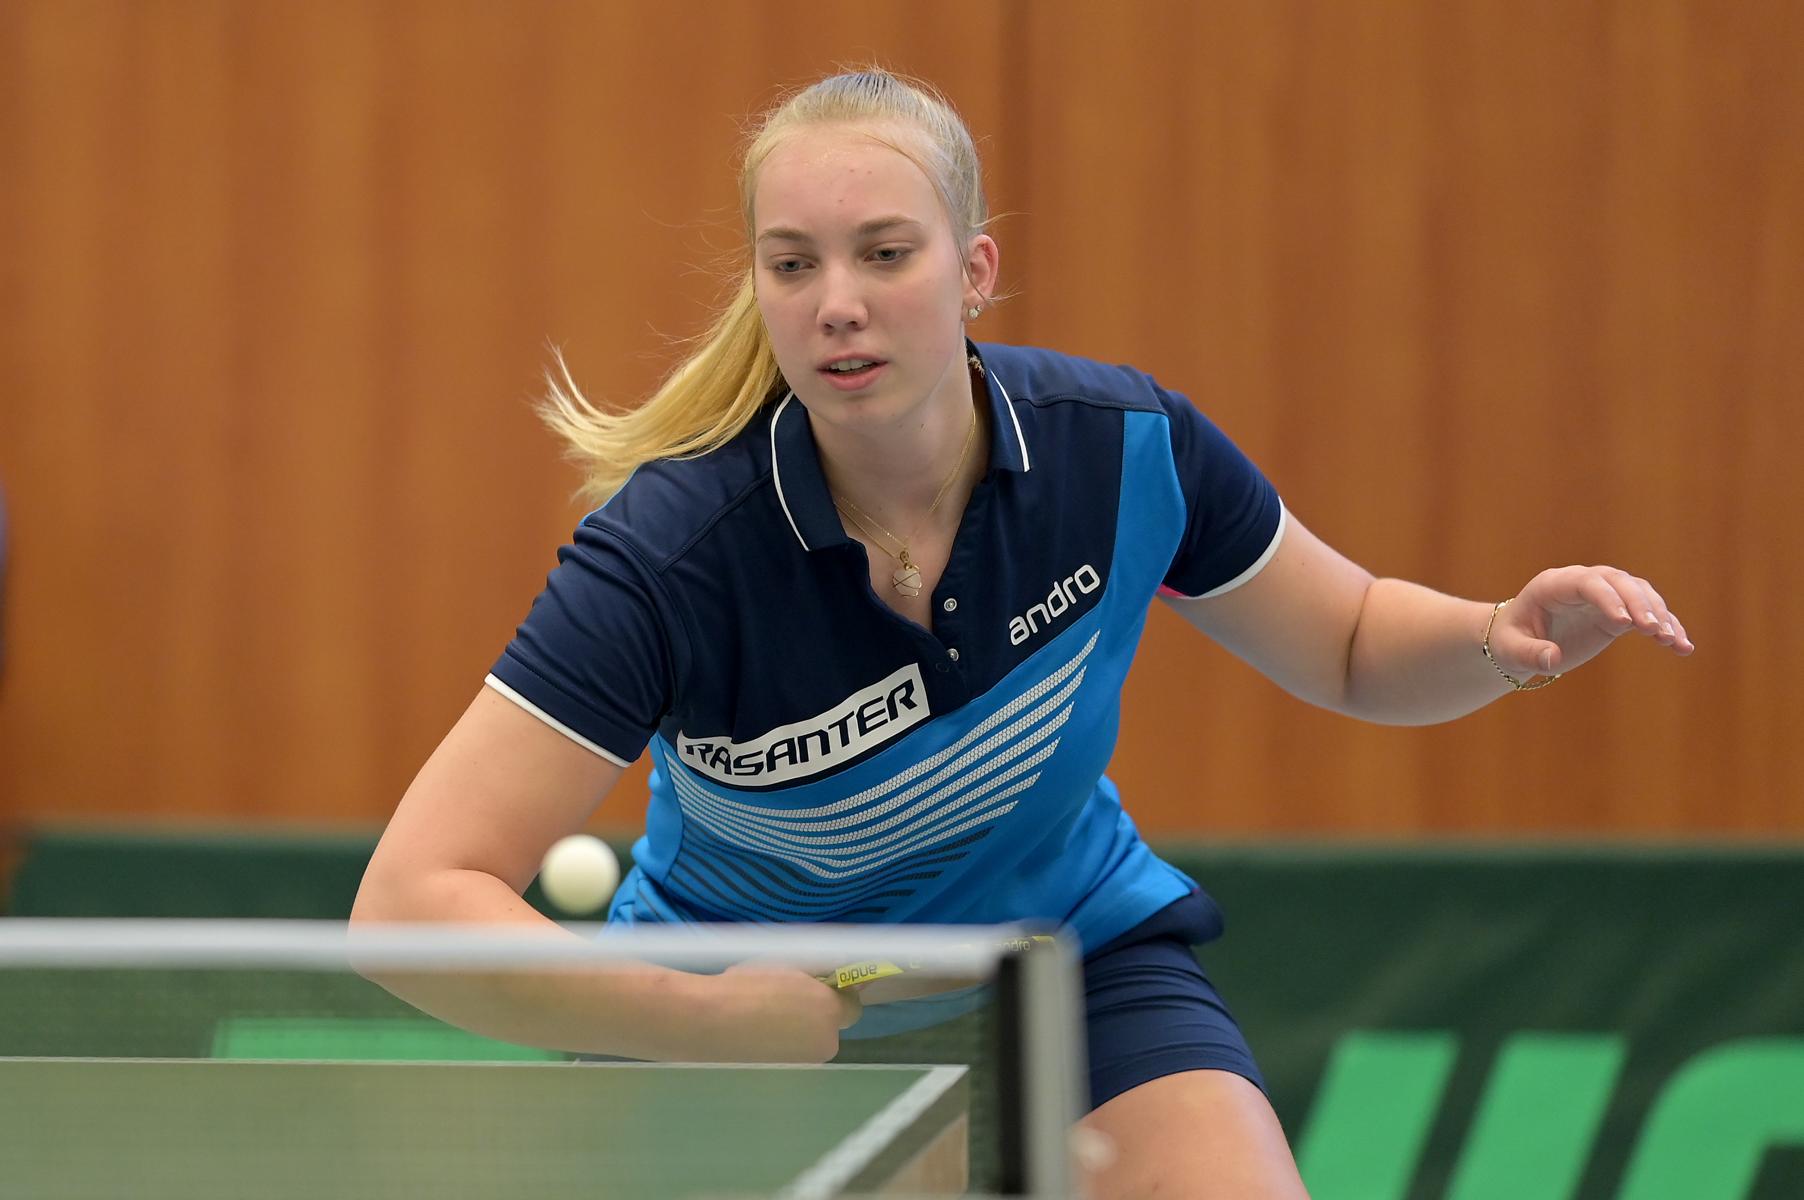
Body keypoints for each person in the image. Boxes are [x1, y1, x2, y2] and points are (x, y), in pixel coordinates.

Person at [352, 67, 1693, 1199]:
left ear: (975, 269)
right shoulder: (670, 559)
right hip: (744, 1024)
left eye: (887, 252)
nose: (837, 302)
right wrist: (701, 1015)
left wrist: (1495, 637)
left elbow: (1345, 642)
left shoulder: (1124, 453)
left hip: (1061, 967)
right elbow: (411, 903)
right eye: (793, 263)